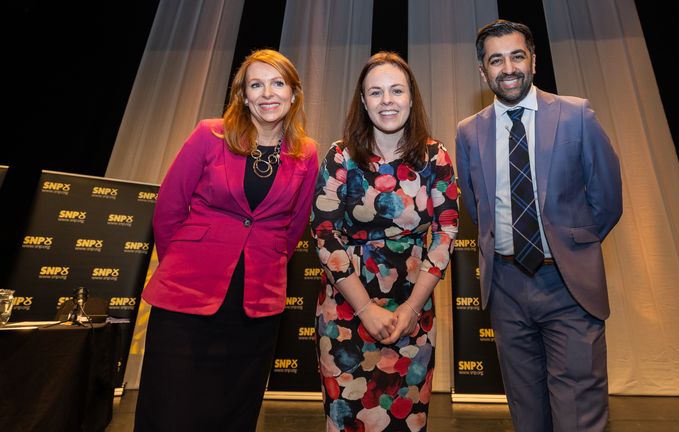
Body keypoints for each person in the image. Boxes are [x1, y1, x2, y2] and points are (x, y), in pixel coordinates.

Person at [134, 49, 318, 431]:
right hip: (187, 295)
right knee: (169, 407)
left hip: (256, 302)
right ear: (243, 95)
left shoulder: (307, 153)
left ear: (294, 93)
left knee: (234, 409)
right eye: (256, 84)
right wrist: (185, 264)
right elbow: (169, 209)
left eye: (278, 83)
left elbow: (295, 226)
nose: (268, 93)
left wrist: (265, 263)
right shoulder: (209, 134)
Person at [455, 20, 622, 432]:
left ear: (533, 60)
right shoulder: (469, 132)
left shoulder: (576, 115)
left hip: (568, 286)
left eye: (516, 56)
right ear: (483, 71)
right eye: (496, 60)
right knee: (526, 412)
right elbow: (477, 211)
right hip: (507, 288)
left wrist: (571, 248)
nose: (508, 68)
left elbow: (607, 199)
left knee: (579, 411)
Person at [311, 52, 458, 431]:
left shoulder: (435, 156)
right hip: (344, 315)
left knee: (407, 420)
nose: (387, 100)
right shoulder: (340, 156)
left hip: (413, 313)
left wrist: (410, 308)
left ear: (412, 97)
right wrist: (364, 309)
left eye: (396, 90)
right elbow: (325, 234)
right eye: (376, 92)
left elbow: (445, 232)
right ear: (363, 100)